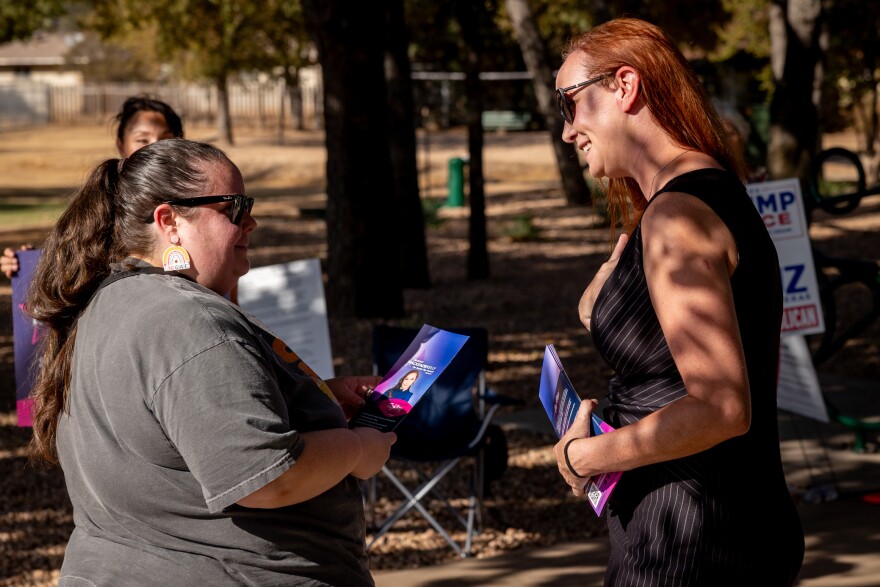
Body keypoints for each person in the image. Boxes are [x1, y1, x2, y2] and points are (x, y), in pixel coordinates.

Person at [26, 138, 396, 585]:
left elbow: (171, 424)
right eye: (235, 208)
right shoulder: (187, 319)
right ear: (171, 221)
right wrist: (358, 449)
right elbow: (265, 478)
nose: (251, 222)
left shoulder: (111, 300)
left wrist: (309, 398)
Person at [551, 18, 804, 586]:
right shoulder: (709, 193)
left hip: (693, 540)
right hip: (718, 526)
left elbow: (720, 407)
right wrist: (604, 312)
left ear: (625, 85)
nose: (568, 132)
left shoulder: (676, 214)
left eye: (570, 103)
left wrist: (582, 458)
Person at [1, 95, 184, 279]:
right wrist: (29, 265)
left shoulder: (196, 199)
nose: (155, 148)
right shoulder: (101, 203)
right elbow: (75, 262)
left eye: (165, 139)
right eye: (142, 140)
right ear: (120, 145)